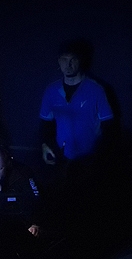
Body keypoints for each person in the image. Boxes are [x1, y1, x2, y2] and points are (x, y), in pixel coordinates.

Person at [39, 40, 113, 168]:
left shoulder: (96, 90)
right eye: (64, 59)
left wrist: (101, 156)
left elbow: (108, 127)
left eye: (73, 59)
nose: (68, 64)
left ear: (80, 61)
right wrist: (45, 145)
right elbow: (45, 123)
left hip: (91, 161)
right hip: (63, 159)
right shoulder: (51, 91)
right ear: (59, 61)